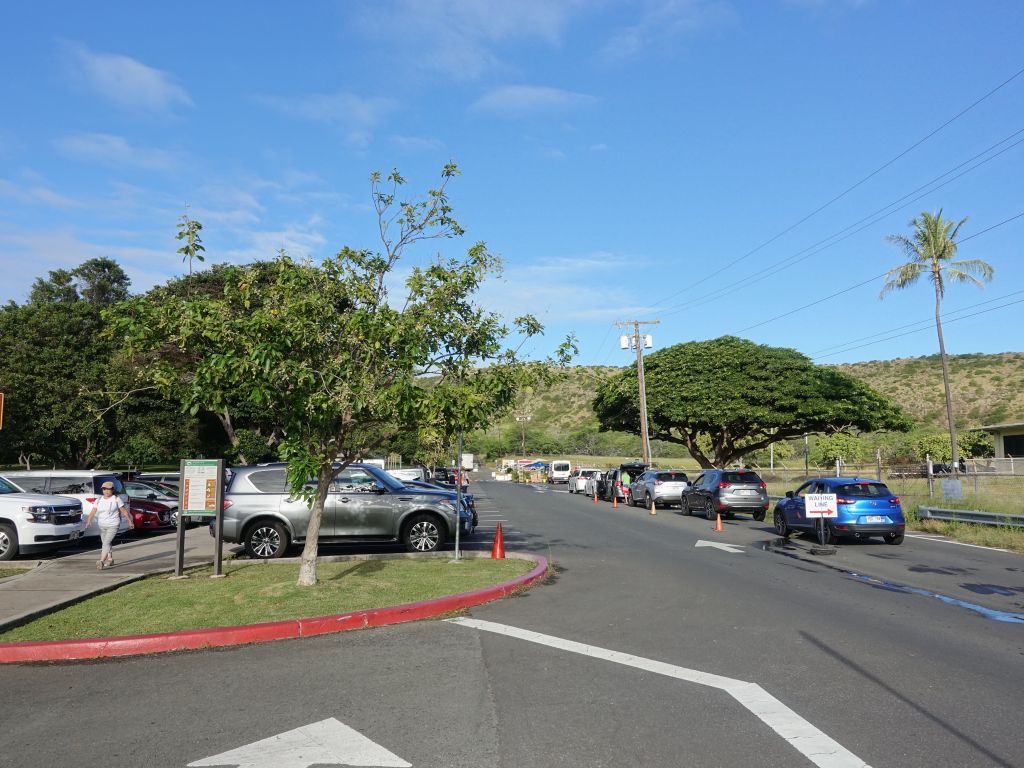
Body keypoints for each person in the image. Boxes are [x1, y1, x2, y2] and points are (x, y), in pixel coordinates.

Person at [85, 481, 133, 569]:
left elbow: (124, 511)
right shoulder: (98, 500)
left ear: (112, 490)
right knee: (106, 543)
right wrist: (89, 520)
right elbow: (93, 511)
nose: (106, 491)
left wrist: (129, 521)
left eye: (108, 489)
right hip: (102, 525)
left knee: (106, 543)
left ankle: (101, 561)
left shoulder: (116, 499)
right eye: (104, 489)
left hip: (113, 524)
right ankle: (110, 559)